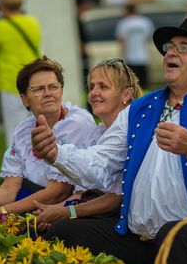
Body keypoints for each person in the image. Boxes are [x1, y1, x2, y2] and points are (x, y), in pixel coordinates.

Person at [32, 18, 187, 264]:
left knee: (173, 234)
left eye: (184, 47)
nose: (171, 52)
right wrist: (56, 153)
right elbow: (100, 163)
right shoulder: (140, 109)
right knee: (63, 233)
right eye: (170, 46)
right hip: (141, 238)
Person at [0, 57, 96, 230]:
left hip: (66, 203)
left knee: (1, 224)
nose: (48, 93)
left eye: (53, 87)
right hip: (33, 196)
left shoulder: (76, 123)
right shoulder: (24, 129)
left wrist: (0, 213)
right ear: (25, 99)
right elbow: (11, 185)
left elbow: (57, 192)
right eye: (38, 89)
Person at [33, 58, 143, 229]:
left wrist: (65, 213)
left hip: (124, 219)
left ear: (126, 94)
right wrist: (55, 211)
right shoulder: (97, 133)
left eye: (103, 87)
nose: (94, 93)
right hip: (97, 212)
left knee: (63, 231)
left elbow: (117, 197)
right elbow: (81, 193)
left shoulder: (132, 130)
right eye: (91, 87)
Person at [0, 0, 41, 147]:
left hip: (10, 84)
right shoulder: (32, 22)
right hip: (33, 82)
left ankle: (15, 170)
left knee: (14, 132)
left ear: (1, 4)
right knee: (34, 129)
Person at [115, 4, 154, 89]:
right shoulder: (145, 22)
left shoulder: (124, 23)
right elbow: (148, 38)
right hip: (143, 57)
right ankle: (144, 98)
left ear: (127, 11)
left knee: (131, 82)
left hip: (129, 58)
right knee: (143, 82)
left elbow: (121, 41)